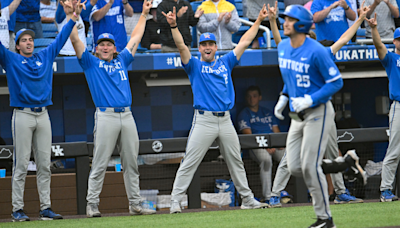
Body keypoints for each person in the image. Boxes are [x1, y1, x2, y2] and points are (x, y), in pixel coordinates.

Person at [162, 5, 271, 214]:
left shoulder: (226, 62)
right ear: (200, 48)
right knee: (190, 161)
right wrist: (174, 26)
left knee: (236, 161)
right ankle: (175, 201)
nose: (208, 47)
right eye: (204, 44)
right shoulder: (194, 65)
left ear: (215, 46)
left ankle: (247, 199)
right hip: (204, 120)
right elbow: (181, 46)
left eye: (211, 43)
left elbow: (246, 41)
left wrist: (258, 22)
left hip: (225, 120)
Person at [269, 2, 368, 207]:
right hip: (301, 112)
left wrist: (359, 19)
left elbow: (344, 38)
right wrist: (272, 20)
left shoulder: (321, 53)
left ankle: (340, 191)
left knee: (331, 151)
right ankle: (276, 193)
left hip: (321, 110)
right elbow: (281, 43)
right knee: (292, 157)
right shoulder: (291, 51)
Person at [66, 0, 156, 218]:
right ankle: (92, 204)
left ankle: (135, 204)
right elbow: (76, 40)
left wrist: (143, 14)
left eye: (109, 44)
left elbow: (135, 37)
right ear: (96, 48)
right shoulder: (90, 62)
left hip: (127, 115)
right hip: (106, 115)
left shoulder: (122, 59)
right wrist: (73, 17)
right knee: (99, 162)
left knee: (131, 162)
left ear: (114, 48)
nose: (105, 47)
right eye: (102, 44)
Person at [0, 0, 84, 222]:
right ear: (17, 45)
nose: (28, 43)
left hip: (43, 115)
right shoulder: (12, 59)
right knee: (20, 165)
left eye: (30, 40)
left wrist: (73, 18)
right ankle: (17, 209)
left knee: (44, 164)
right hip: (23, 115)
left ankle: (46, 208)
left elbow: (60, 39)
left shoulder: (43, 56)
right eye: (23, 40)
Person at [366, 13, 400, 202]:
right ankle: (386, 189)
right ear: (395, 41)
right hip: (399, 107)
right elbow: (379, 46)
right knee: (394, 149)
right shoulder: (392, 59)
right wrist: (373, 29)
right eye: (399, 39)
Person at [237, 85, 286, 203]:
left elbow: (276, 132)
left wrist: (275, 144)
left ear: (259, 97)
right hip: (256, 146)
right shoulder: (244, 114)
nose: (251, 99)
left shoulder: (267, 112)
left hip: (272, 144)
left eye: (254, 96)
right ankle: (268, 196)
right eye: (249, 97)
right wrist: (265, 145)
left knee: (288, 157)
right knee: (266, 159)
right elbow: (248, 136)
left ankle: (283, 192)